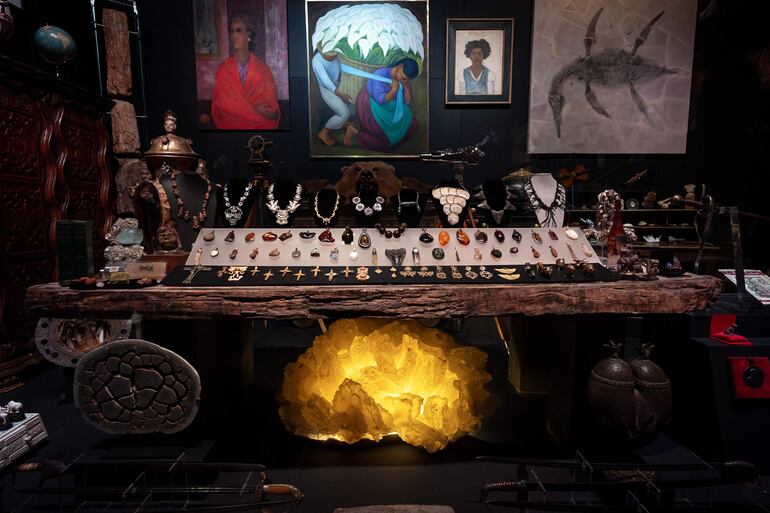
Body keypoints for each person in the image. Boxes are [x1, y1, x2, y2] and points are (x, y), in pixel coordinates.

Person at [211, 13, 280, 129]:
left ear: (249, 34)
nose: (234, 35)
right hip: (230, 128)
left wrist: (262, 111)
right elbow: (218, 108)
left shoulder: (263, 70)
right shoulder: (223, 70)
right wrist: (246, 109)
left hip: (259, 128)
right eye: (232, 31)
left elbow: (273, 113)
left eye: (239, 30)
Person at [352, 58, 419, 151]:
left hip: (390, 107)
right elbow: (381, 100)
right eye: (404, 78)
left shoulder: (403, 82)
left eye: (407, 80)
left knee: (412, 123)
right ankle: (354, 132)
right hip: (371, 106)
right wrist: (394, 90)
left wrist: (406, 89)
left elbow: (407, 101)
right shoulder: (380, 74)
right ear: (400, 66)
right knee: (385, 142)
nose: (404, 81)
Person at [312, 48, 356, 146]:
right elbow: (326, 82)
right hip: (327, 89)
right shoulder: (317, 61)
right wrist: (340, 94)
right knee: (344, 113)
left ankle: (341, 123)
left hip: (338, 86)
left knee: (354, 107)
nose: (332, 56)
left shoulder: (337, 55)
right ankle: (324, 132)